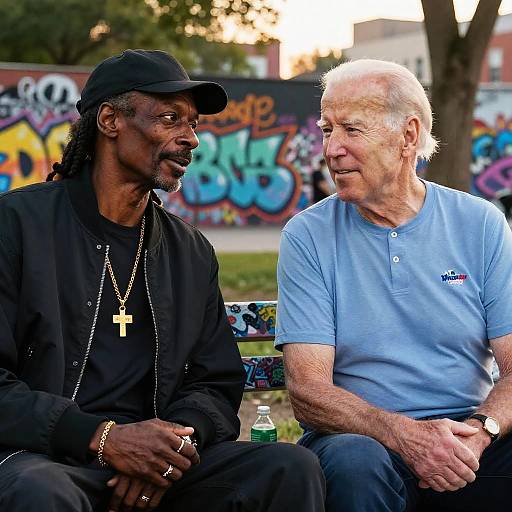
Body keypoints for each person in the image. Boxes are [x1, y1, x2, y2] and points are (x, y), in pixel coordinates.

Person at [0, 49, 326, 512]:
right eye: (170, 118)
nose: (190, 138)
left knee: (288, 469)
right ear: (110, 121)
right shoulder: (17, 226)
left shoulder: (188, 251)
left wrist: (169, 454)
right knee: (39, 490)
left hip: (157, 470)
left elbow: (215, 383)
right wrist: (102, 438)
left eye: (193, 124)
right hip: (48, 457)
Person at [276, 59, 512, 512]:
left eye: (351, 129)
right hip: (364, 440)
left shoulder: (479, 223)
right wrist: (407, 436)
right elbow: (308, 392)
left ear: (408, 135)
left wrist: (481, 433)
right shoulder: (308, 235)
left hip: (468, 439)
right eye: (327, 130)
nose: (332, 148)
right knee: (353, 460)